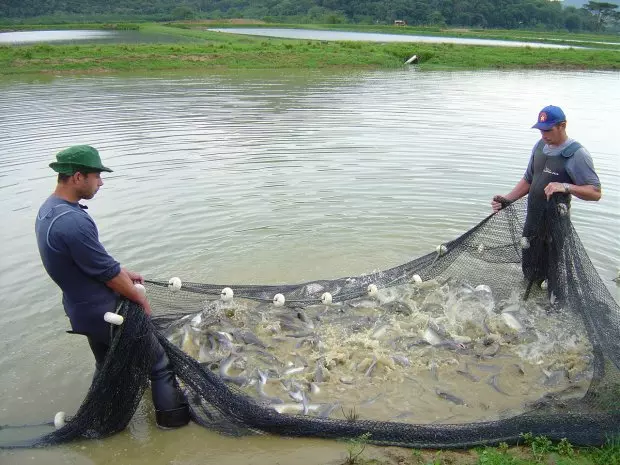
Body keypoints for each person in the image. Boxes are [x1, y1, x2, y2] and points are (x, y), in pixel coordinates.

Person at [35, 145, 190, 429]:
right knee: (159, 364)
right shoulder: (72, 222)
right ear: (78, 177)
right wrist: (139, 300)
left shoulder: (50, 210)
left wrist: (123, 272)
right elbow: (106, 272)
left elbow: (91, 262)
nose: (101, 182)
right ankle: (174, 426)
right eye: (97, 176)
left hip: (83, 310)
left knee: (108, 366)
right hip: (109, 314)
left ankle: (102, 420)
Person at [491, 105, 602, 288]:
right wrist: (508, 199)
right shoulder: (540, 146)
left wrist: (565, 186)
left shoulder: (576, 154)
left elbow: (595, 192)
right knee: (529, 274)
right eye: (541, 130)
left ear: (562, 126)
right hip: (532, 223)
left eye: (548, 130)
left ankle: (550, 309)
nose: (543, 135)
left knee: (550, 279)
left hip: (554, 227)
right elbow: (529, 179)